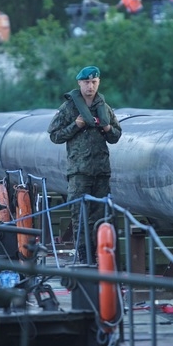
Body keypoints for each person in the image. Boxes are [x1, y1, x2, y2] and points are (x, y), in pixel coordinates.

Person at [48, 66, 122, 263]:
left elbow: (116, 136)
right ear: (79, 83)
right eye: (86, 82)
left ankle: (101, 254)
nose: (90, 86)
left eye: (94, 82)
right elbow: (54, 135)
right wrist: (76, 125)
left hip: (101, 171)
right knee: (79, 215)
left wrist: (107, 128)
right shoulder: (69, 109)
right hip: (79, 172)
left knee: (102, 215)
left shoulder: (104, 109)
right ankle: (83, 253)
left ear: (98, 83)